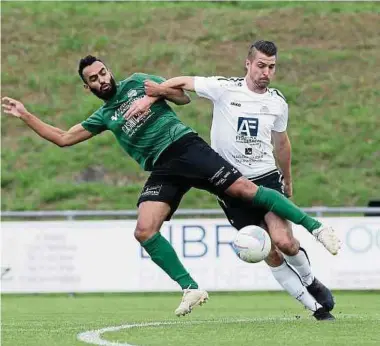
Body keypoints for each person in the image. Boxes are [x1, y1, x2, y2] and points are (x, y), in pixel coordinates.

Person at [2, 55, 340, 318]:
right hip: (163, 169)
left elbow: (182, 98)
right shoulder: (104, 116)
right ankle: (190, 288)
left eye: (103, 72)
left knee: (245, 191)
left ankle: (315, 227)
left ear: (109, 71)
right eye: (93, 79)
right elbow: (62, 138)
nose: (102, 79)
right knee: (144, 230)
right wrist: (26, 114)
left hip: (185, 147)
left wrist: (155, 94)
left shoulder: (136, 82)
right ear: (86, 87)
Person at [126, 41, 340, 320]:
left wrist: (287, 178)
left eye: (271, 67)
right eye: (261, 65)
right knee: (270, 253)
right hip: (229, 182)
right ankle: (315, 309)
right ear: (248, 64)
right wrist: (154, 95)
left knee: (284, 242)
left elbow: (282, 143)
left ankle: (311, 280)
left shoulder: (277, 102)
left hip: (265, 178)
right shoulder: (224, 88)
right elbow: (184, 82)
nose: (266, 72)